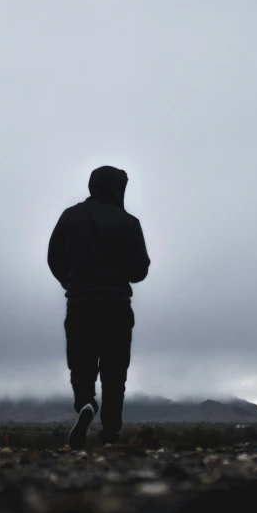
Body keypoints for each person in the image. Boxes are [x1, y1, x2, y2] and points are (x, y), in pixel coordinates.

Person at [48, 166, 150, 449]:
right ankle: (110, 432)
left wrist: (70, 281)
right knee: (115, 372)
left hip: (80, 303)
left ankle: (85, 403)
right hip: (116, 305)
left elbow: (54, 256)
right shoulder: (128, 223)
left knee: (81, 365)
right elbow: (140, 270)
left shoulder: (70, 217)